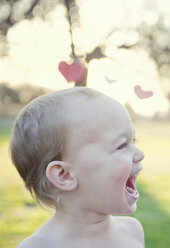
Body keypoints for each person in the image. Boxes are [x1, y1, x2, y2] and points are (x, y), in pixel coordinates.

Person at [10, 87, 145, 248]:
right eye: (122, 145)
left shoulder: (132, 231)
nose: (140, 154)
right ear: (64, 175)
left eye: (133, 140)